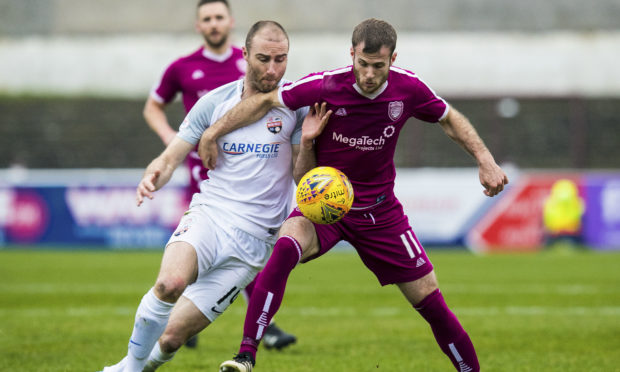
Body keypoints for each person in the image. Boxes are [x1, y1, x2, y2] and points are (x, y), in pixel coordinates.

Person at [200, 18, 509, 372]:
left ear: (393, 59)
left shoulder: (409, 89)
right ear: (352, 55)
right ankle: (246, 355)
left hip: (381, 213)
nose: (369, 75)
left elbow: (448, 117)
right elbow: (266, 102)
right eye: (362, 64)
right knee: (285, 246)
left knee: (430, 301)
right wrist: (212, 133)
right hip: (326, 206)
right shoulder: (325, 85)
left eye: (378, 66)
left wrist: (485, 160)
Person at [98, 20, 326, 372]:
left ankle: (134, 367)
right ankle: (128, 369)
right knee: (169, 283)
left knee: (172, 338)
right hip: (210, 216)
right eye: (263, 58)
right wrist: (154, 173)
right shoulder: (213, 103)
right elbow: (171, 156)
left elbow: (300, 178)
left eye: (281, 59)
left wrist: (308, 141)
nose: (272, 69)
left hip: (252, 246)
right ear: (245, 54)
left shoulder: (295, 110)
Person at [143, 0, 296, 350]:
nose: (213, 24)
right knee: (197, 248)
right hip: (204, 174)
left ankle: (254, 323)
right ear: (198, 25)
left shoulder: (253, 64)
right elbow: (153, 106)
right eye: (207, 19)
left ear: (231, 23)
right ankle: (190, 314)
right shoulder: (182, 68)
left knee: (241, 245)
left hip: (247, 171)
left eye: (219, 18)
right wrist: (172, 140)